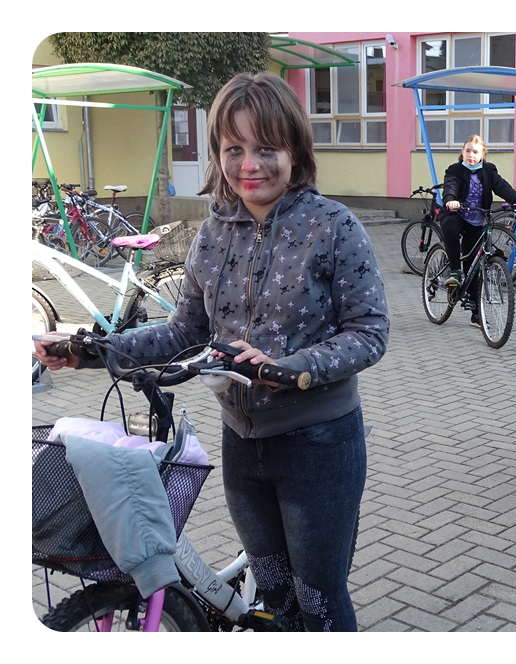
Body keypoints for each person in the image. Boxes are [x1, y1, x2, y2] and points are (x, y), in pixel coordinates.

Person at [34, 71, 390, 631]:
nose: (250, 164)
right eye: (234, 149)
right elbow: (183, 333)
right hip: (242, 447)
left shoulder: (333, 227)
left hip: (319, 447)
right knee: (274, 596)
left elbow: (369, 332)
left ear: (295, 150)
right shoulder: (214, 233)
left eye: (266, 148)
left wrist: (288, 370)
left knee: (317, 600)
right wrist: (90, 350)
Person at [438, 134, 516, 327]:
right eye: (467, 151)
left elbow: (502, 187)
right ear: (462, 152)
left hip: (477, 220)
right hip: (457, 214)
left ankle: (476, 314)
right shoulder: (455, 169)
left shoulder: (488, 170)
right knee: (450, 226)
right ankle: (455, 271)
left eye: (475, 151)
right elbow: (451, 186)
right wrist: (450, 199)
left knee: (473, 266)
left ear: (482, 154)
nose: (471, 155)